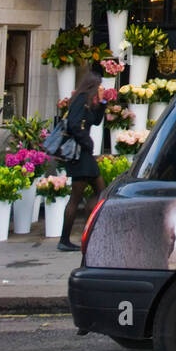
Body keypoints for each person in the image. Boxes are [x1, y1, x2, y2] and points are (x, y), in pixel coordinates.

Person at [58, 67, 105, 252]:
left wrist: (102, 102)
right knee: (77, 196)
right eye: (99, 86)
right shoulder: (78, 99)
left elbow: (96, 120)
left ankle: (88, 231)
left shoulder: (86, 101)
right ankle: (65, 239)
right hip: (79, 154)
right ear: (92, 84)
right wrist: (88, 143)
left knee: (99, 191)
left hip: (84, 154)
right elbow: (74, 125)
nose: (100, 88)